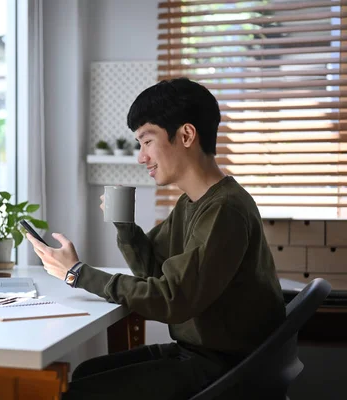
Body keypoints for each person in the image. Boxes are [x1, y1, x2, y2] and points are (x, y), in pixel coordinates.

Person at [25, 77, 286, 400]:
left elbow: (172, 299)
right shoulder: (193, 202)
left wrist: (77, 273)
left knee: (76, 393)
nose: (141, 156)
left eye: (147, 141)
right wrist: (124, 225)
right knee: (86, 373)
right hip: (203, 352)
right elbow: (152, 271)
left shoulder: (224, 209)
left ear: (186, 135)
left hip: (227, 367)